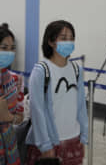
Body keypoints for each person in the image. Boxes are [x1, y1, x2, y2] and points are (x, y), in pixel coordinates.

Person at [26, 20, 88, 165]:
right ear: (51, 42)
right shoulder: (41, 71)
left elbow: (81, 106)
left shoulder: (76, 70)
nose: (69, 42)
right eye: (63, 38)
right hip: (49, 143)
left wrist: (83, 136)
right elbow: (37, 111)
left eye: (72, 38)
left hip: (74, 140)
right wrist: (45, 145)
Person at [0, 23, 24, 165]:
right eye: (4, 48)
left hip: (10, 145)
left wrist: (8, 117)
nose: (9, 52)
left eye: (12, 48)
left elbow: (20, 117)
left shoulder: (16, 80)